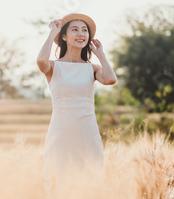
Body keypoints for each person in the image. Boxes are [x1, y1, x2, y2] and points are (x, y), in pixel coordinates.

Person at [36, 13, 117, 187]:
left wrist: (101, 54)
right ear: (64, 37)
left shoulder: (92, 68)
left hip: (87, 131)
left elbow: (110, 79)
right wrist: (52, 32)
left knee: (90, 179)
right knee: (59, 179)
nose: (81, 33)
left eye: (84, 30)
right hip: (61, 131)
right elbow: (41, 60)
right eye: (75, 30)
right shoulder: (53, 66)